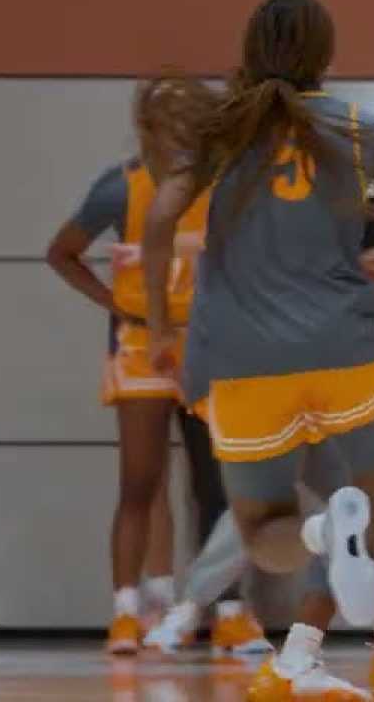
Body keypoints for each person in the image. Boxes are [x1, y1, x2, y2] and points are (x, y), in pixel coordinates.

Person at [138, 0, 374, 701]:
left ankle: (318, 538)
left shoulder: (224, 128)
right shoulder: (360, 127)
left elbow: (158, 224)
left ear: (249, 51)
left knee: (260, 527)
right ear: (327, 55)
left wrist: (161, 327)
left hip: (247, 367)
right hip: (346, 354)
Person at [45, 82, 267, 656]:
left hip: (209, 347)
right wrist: (113, 301)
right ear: (149, 127)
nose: (186, 131)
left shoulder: (225, 187)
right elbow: (61, 250)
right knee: (139, 481)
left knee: (218, 483)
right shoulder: (121, 186)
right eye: (175, 121)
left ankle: (232, 611)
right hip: (143, 346)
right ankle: (126, 610)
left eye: (196, 120)